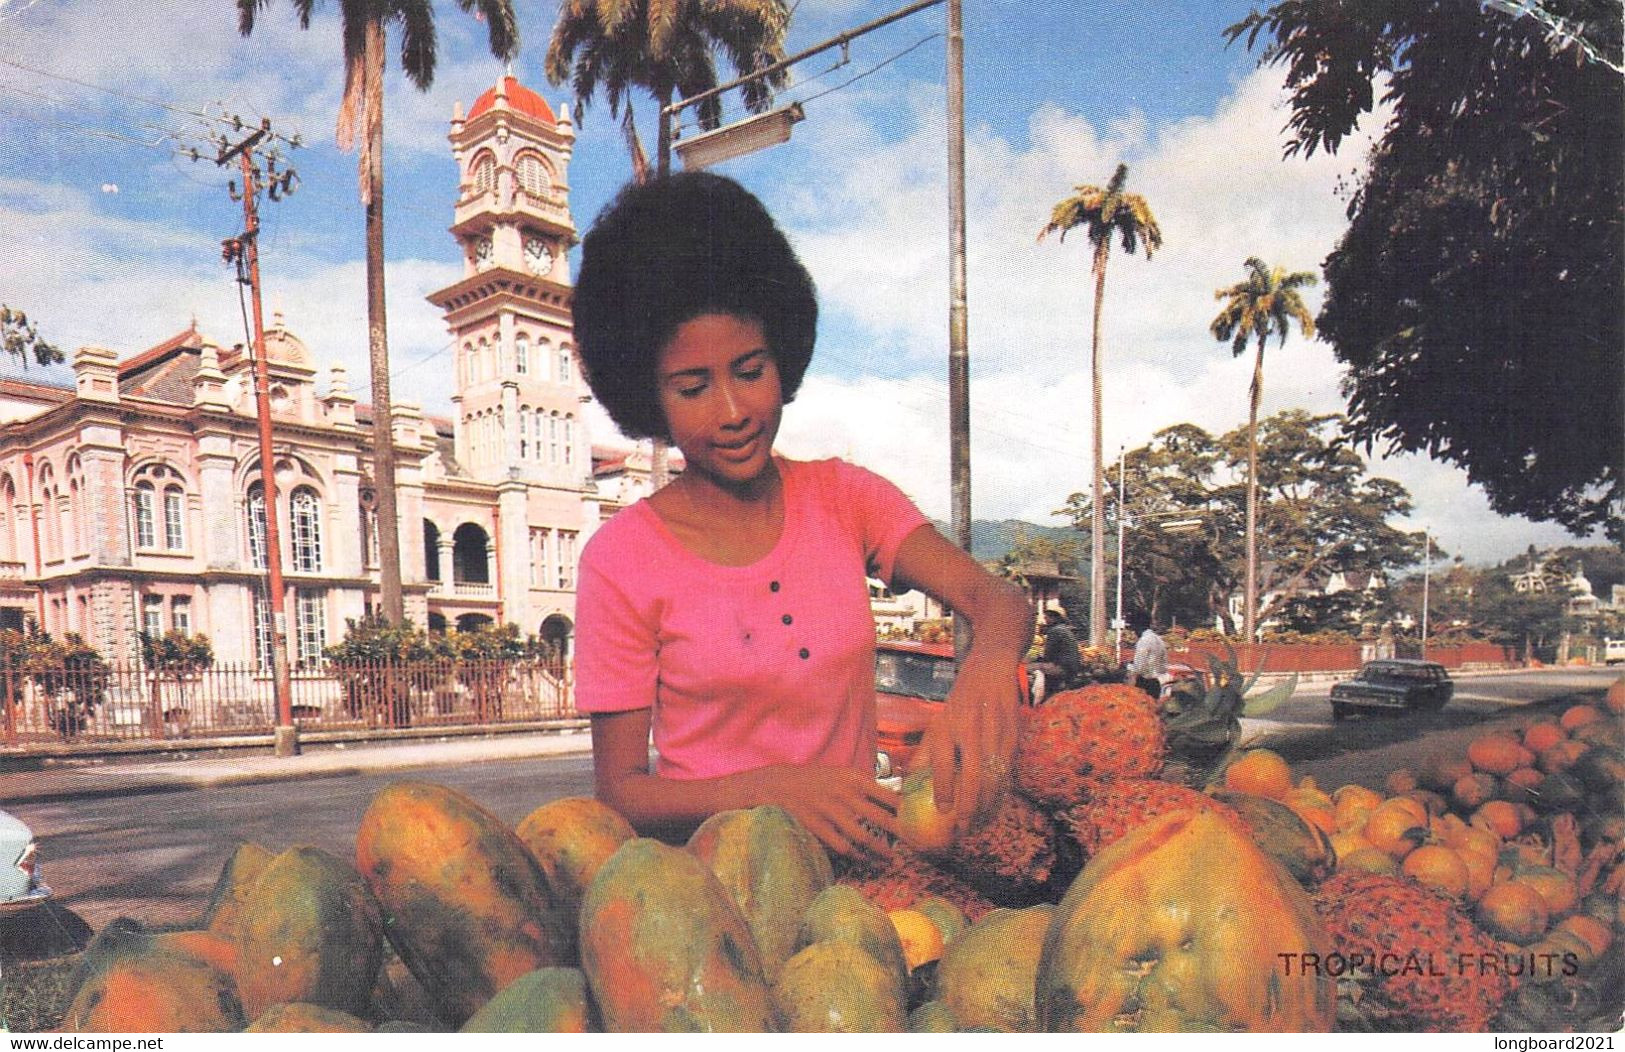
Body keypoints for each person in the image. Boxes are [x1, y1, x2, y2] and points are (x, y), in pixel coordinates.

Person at [570, 173, 1033, 861]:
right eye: (692, 388)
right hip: (710, 894)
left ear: (782, 357)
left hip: (861, 876)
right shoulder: (620, 560)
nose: (733, 411)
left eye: (750, 370)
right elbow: (622, 792)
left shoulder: (846, 499)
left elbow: (997, 601)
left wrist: (989, 667)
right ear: (648, 396)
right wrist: (774, 789)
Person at [1033, 606, 1083, 696]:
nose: (1045, 620)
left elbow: (1048, 654)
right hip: (1071, 668)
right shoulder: (1064, 629)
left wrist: (1037, 659)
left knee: (1024, 668)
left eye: (1047, 617)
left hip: (1062, 668)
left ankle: (1035, 700)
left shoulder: (1055, 631)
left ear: (1054, 618)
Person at [1130, 619, 1168, 698]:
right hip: (1156, 683)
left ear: (1138, 628)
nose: (1134, 634)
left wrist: (1130, 668)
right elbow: (1164, 665)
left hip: (1144, 683)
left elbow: (1139, 667)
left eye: (1134, 630)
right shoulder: (1159, 639)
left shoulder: (1144, 640)